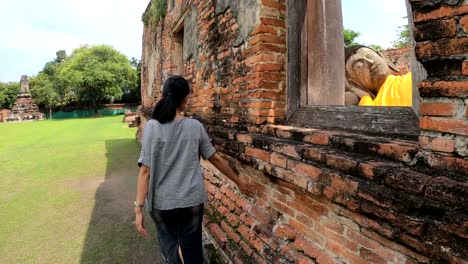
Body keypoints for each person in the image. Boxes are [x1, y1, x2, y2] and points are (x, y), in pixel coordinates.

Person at [134, 76, 244, 264]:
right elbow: (215, 159)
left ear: (163, 96)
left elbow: (145, 171)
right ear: (185, 99)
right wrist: (239, 181)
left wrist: (138, 209)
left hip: (162, 204)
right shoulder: (195, 127)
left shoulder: (152, 126)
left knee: (170, 245)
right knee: (192, 248)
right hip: (191, 202)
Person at [344, 45, 412, 107]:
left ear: (384, 57)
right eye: (359, 66)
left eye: (369, 55)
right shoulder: (370, 105)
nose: (370, 62)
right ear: (355, 83)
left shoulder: (413, 78)